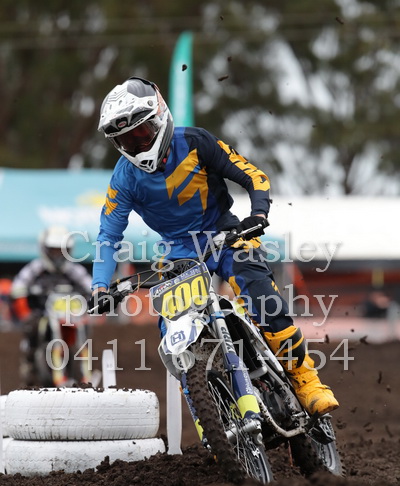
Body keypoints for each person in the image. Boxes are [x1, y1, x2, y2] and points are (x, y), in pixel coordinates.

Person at [89, 76, 339, 416]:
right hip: (178, 253)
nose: (136, 145)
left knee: (262, 297)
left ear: (159, 119)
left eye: (141, 134)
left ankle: (307, 381)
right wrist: (100, 287)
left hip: (224, 232)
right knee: (172, 335)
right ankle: (209, 421)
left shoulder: (196, 142)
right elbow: (108, 236)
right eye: (126, 140)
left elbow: (253, 176)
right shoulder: (123, 178)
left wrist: (258, 214)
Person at [11, 225, 92, 385]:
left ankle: (85, 373)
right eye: (54, 250)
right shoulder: (35, 267)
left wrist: (93, 294)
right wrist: (27, 302)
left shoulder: (73, 269)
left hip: (70, 315)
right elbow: (17, 287)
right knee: (32, 327)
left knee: (86, 327)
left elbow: (90, 285)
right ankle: (29, 362)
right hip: (43, 314)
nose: (58, 254)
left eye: (62, 250)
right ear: (45, 249)